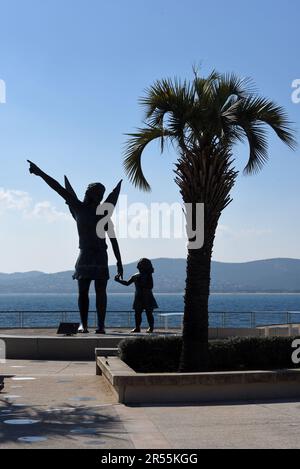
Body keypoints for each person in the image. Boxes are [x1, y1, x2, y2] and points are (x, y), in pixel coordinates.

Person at [27, 160, 123, 334]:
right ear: (91, 193)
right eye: (98, 192)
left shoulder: (104, 215)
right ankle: (84, 326)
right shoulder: (78, 208)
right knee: (83, 292)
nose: (101, 196)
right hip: (85, 255)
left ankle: (101, 326)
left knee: (101, 292)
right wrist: (40, 173)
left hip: (101, 256)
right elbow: (58, 188)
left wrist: (120, 263)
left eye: (102, 193)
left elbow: (114, 240)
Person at [115, 258, 158, 333]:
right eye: (139, 263)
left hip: (147, 297)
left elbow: (150, 286)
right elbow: (127, 283)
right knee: (137, 313)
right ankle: (137, 327)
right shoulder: (135, 275)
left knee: (149, 313)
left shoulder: (148, 275)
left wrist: (141, 283)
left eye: (140, 264)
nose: (138, 265)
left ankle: (151, 327)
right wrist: (119, 280)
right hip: (138, 297)